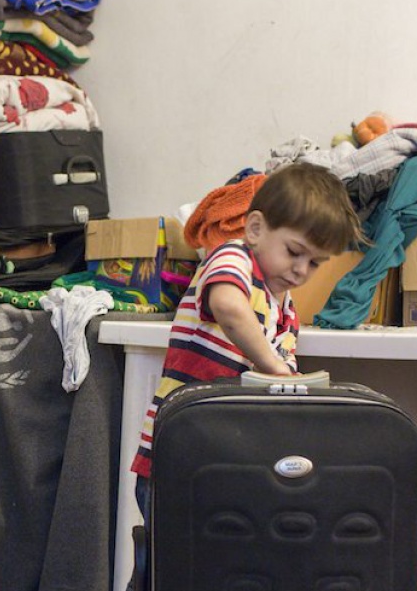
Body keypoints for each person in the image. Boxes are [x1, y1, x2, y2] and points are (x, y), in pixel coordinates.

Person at [131, 162, 365, 518]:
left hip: (226, 458)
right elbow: (227, 306)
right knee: (171, 565)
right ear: (255, 228)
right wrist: (272, 366)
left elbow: (282, 378)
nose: (302, 270)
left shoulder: (284, 307)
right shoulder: (233, 258)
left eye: (315, 263)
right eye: (294, 251)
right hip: (180, 454)